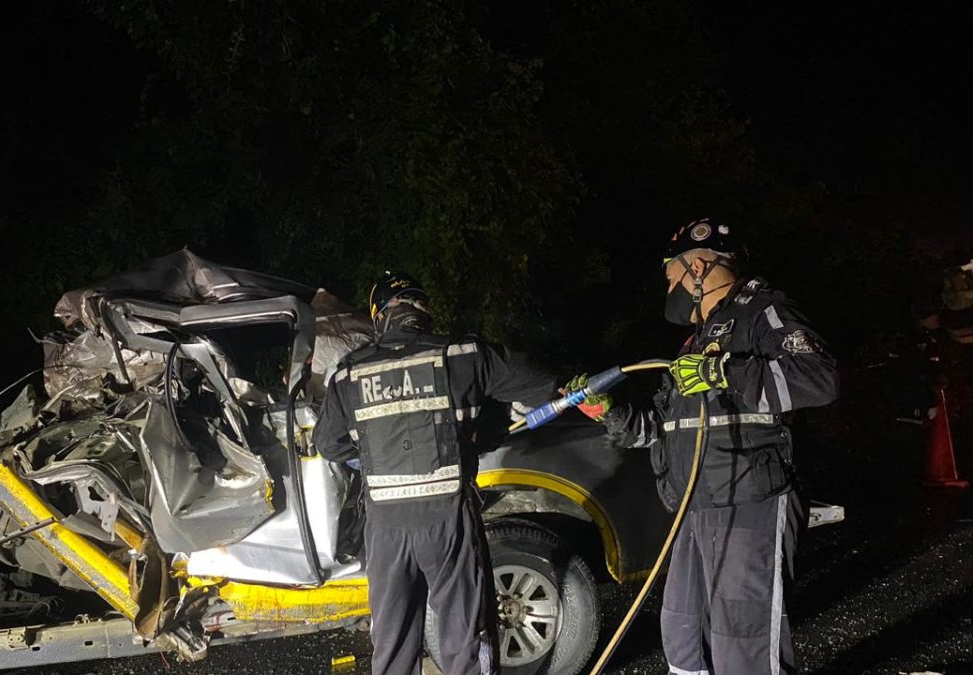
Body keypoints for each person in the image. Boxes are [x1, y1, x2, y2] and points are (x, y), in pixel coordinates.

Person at [570, 218, 838, 675]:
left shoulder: (763, 312)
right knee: (683, 635)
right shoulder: (694, 340)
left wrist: (723, 373)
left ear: (697, 265)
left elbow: (819, 378)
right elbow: (663, 429)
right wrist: (610, 412)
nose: (668, 286)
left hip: (749, 499)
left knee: (743, 643)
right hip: (696, 507)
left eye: (670, 274)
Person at [313, 272, 558, 675]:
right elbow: (539, 383)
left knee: (391, 644)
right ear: (422, 309)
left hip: (386, 527)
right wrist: (483, 428)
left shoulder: (347, 374)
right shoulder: (463, 354)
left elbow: (329, 445)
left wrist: (375, 453)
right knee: (465, 636)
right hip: (448, 520)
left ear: (380, 317)